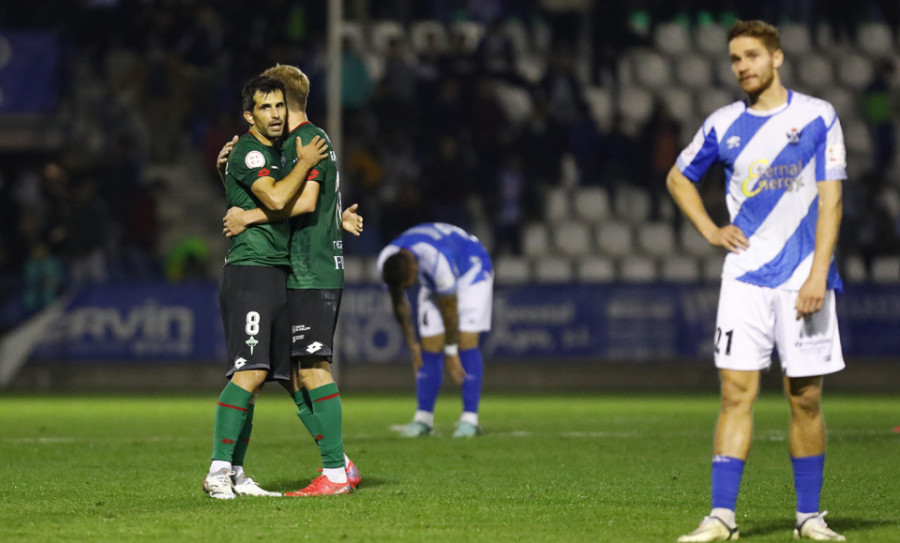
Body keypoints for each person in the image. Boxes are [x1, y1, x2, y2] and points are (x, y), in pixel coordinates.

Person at [667, 21, 847, 542]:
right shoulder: (723, 124)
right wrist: (709, 229)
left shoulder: (817, 116)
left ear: (777, 58)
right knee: (735, 395)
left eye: (750, 56)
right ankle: (722, 517)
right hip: (743, 280)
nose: (741, 66)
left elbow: (832, 200)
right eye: (734, 59)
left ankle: (808, 517)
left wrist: (817, 273)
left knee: (805, 398)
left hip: (803, 280)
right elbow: (678, 177)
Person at [221, 64, 363, 496]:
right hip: (299, 267)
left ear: (285, 102)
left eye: (275, 102)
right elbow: (317, 203)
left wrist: (249, 215)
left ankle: (335, 472)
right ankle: (341, 462)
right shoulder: (296, 144)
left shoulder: (305, 141)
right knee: (290, 375)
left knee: (313, 369)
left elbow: (302, 201)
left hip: (309, 269)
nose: (272, 112)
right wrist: (339, 219)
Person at [204, 74, 330, 500]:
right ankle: (218, 471)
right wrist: (303, 162)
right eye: (265, 108)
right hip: (251, 271)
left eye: (279, 106)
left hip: (277, 273)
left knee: (269, 377)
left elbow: (290, 203)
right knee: (250, 371)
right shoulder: (252, 152)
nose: (275, 115)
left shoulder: (271, 153)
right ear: (249, 115)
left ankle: (237, 472)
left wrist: (337, 221)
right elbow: (276, 200)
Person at [376, 222, 493, 438]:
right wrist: (412, 344)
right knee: (428, 345)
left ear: (413, 268)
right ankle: (423, 419)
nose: (408, 288)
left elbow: (450, 309)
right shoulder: (387, 260)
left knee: (466, 341)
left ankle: (470, 419)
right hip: (432, 281)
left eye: (408, 282)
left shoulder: (436, 260)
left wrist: (450, 351)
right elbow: (398, 300)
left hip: (471, 268)